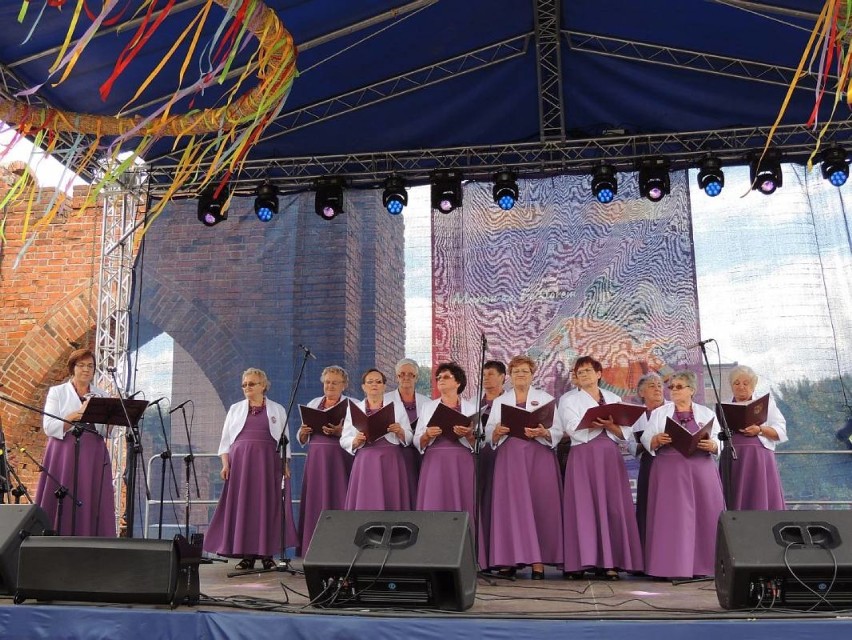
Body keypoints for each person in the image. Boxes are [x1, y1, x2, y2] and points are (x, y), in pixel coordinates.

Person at [558, 356, 643, 580]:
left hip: (609, 455)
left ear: (598, 373)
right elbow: (572, 428)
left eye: (588, 370)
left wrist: (611, 425)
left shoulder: (614, 398)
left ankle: (611, 562)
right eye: (579, 372)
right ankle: (580, 562)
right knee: (583, 506)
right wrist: (597, 425)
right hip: (583, 454)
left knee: (611, 505)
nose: (584, 374)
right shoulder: (568, 399)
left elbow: (624, 431)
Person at [204, 368, 296, 571]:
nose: (247, 387)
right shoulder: (235, 409)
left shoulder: (277, 409)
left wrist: (285, 464)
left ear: (263, 385)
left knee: (267, 505)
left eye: (251, 384)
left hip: (268, 462)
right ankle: (246, 556)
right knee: (243, 506)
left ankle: (267, 554)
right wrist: (225, 464)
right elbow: (226, 440)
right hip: (241, 464)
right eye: (244, 384)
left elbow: (285, 439)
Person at [641, 370, 725, 580]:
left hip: (700, 469)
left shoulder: (706, 413)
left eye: (679, 387)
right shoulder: (661, 413)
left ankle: (705, 566)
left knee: (705, 515)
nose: (673, 391)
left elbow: (719, 441)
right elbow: (645, 439)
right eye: (672, 387)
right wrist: (657, 440)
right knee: (671, 519)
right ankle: (669, 567)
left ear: (692, 390)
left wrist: (713, 444)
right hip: (669, 471)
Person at [485, 355, 563, 579]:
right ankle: (507, 560)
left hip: (538, 457)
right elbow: (490, 432)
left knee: (539, 506)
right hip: (510, 459)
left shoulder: (546, 398)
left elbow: (557, 430)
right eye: (517, 371)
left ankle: (538, 563)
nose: (521, 374)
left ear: (533, 374)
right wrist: (497, 432)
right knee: (510, 507)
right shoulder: (500, 401)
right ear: (510, 376)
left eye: (525, 371)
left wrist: (544, 432)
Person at [37, 348, 116, 537]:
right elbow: (49, 426)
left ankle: (91, 539)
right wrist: (78, 414)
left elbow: (104, 432)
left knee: (90, 494)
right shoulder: (57, 392)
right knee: (62, 493)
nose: (86, 370)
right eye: (81, 365)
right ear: (72, 368)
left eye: (90, 366)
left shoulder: (101, 394)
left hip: (93, 452)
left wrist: (112, 418)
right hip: (63, 452)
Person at [415, 363, 477, 538]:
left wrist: (469, 434)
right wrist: (427, 435)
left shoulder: (472, 409)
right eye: (438, 378)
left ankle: (466, 551)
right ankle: (433, 549)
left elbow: (480, 442)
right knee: (434, 502)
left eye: (446, 376)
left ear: (458, 382)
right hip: (435, 462)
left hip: (462, 461)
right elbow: (417, 439)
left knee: (463, 503)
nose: (441, 380)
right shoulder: (428, 407)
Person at [296, 365, 352, 556]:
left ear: (344, 385)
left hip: (340, 459)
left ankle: (341, 547)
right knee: (315, 500)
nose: (330, 386)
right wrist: (303, 433)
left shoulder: (353, 404)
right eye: (327, 382)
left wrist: (340, 431)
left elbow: (359, 433)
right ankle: (313, 548)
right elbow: (301, 438)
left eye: (335, 383)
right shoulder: (313, 403)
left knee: (340, 498)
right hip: (317, 459)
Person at [341, 368, 413, 510]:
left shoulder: (397, 407)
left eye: (378, 382)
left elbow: (409, 437)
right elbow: (344, 439)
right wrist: (355, 441)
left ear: (384, 386)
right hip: (365, 460)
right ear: (363, 387)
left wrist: (400, 431)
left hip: (391, 459)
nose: (374, 385)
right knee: (366, 501)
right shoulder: (355, 408)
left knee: (391, 501)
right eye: (370, 382)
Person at [726, 365, 787, 510]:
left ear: (753, 386)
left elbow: (781, 430)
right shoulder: (724, 405)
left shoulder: (766, 404)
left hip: (759, 459)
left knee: (760, 497)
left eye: (746, 383)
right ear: (731, 386)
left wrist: (759, 429)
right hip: (733, 460)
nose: (741, 387)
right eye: (736, 383)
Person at [631, 372, 668, 547]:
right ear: (641, 393)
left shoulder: (673, 410)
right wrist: (647, 443)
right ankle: (645, 555)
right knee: (648, 506)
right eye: (652, 386)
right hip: (649, 463)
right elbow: (631, 446)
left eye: (660, 385)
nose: (657, 389)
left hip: (672, 463)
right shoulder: (635, 416)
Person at [385, 358, 429, 505]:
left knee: (417, 492)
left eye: (411, 374)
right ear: (396, 377)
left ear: (417, 377)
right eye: (402, 374)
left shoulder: (427, 402)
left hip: (419, 454)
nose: (406, 377)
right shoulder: (385, 400)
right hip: (395, 454)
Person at [477, 359, 506, 570]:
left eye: (491, 374)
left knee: (501, 502)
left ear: (503, 377)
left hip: (504, 455)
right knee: (482, 500)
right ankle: (483, 553)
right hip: (480, 456)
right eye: (484, 374)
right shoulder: (474, 403)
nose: (487, 378)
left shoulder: (511, 400)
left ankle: (502, 553)